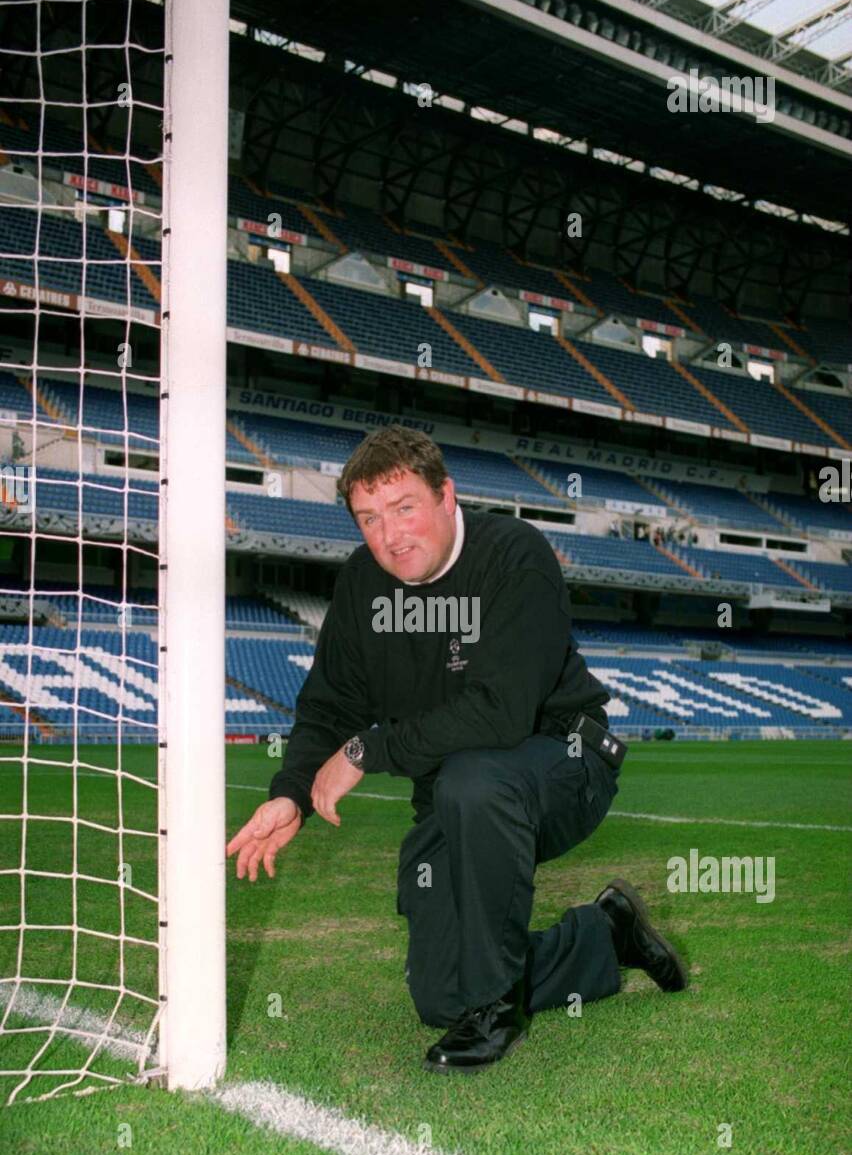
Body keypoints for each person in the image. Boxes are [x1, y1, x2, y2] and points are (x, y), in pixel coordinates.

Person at [226, 427, 688, 1074]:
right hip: (453, 791)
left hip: (564, 763)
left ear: (448, 497)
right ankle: (604, 936)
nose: (390, 535)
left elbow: (501, 714)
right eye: (369, 518)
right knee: (443, 995)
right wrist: (292, 793)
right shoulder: (364, 586)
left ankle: (498, 1008)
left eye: (405, 507)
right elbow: (329, 706)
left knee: (475, 780)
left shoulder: (513, 557)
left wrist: (366, 750)